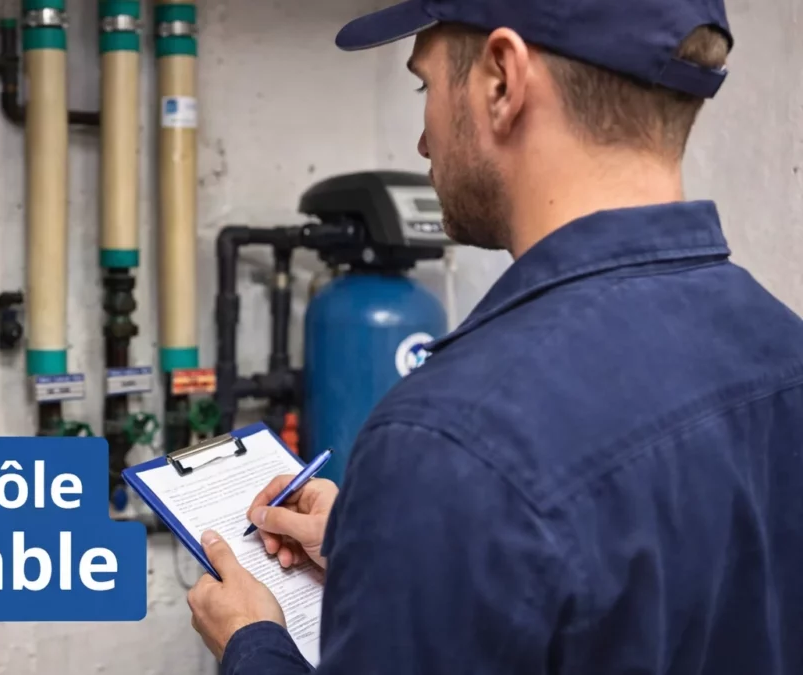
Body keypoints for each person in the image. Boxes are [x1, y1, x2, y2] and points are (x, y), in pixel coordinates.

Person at [185, 0, 803, 673]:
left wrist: (253, 644)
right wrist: (386, 545)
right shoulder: (784, 352)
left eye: (425, 84)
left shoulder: (451, 439)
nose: (423, 144)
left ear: (502, 80)